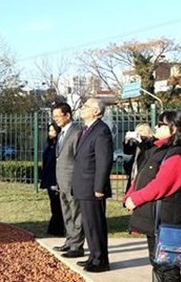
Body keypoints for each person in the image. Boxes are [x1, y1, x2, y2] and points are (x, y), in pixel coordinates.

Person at [124, 110, 181, 282]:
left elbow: (162, 184)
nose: (156, 127)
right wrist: (129, 194)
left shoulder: (177, 153)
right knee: (157, 263)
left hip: (168, 220)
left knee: (167, 267)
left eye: (161, 124)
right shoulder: (160, 149)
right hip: (157, 220)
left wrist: (136, 198)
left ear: (174, 128)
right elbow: (143, 174)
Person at [72, 97, 114, 273]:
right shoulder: (88, 129)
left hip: (92, 188)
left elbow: (104, 161)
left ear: (96, 111)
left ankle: (100, 261)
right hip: (84, 185)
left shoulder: (101, 131)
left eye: (86, 106)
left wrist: (99, 187)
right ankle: (94, 256)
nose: (82, 108)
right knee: (89, 225)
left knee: (95, 225)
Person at [51, 102, 85, 257]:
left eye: (58, 116)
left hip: (72, 180)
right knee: (66, 212)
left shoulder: (77, 132)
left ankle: (77, 246)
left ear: (67, 115)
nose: (56, 119)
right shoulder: (62, 132)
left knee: (76, 213)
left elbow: (80, 158)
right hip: (62, 181)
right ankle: (70, 241)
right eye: (54, 116)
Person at [39, 122, 65, 236]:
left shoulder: (59, 145)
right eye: (49, 131)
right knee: (54, 205)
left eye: (53, 131)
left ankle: (57, 228)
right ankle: (55, 227)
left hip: (56, 178)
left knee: (58, 205)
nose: (51, 133)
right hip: (49, 178)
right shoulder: (49, 145)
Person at [123, 123, 155, 195]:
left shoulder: (151, 142)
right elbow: (127, 152)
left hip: (143, 168)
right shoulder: (136, 143)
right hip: (135, 169)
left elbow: (147, 152)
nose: (138, 133)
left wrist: (140, 141)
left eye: (140, 131)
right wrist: (127, 141)